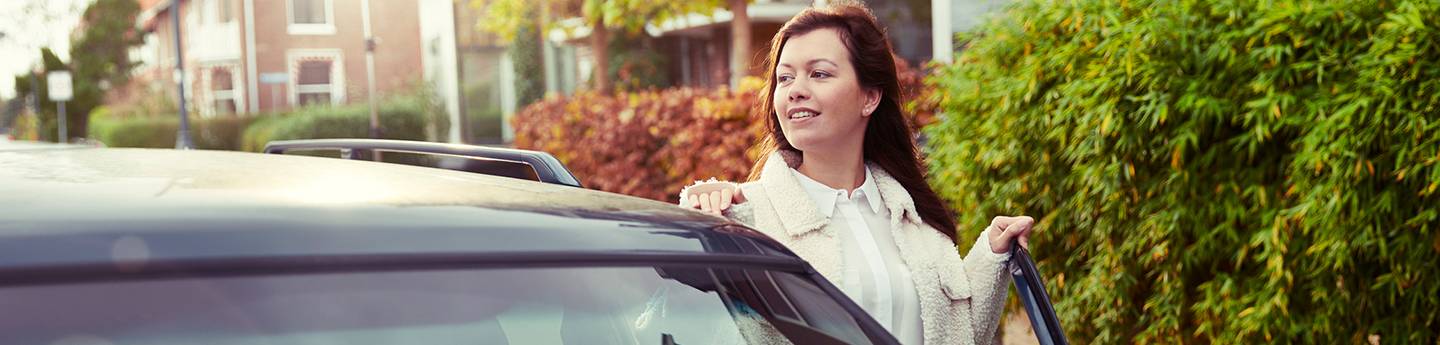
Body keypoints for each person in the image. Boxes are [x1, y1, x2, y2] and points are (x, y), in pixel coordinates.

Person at [678, 2, 1036, 344]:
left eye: (819, 74)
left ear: (869, 98)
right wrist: (696, 232)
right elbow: (685, 324)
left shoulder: (914, 223)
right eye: (785, 78)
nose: (796, 91)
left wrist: (991, 255)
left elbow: (960, 335)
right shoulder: (744, 217)